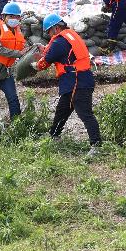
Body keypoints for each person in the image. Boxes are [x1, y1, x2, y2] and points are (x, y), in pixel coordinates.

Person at [35, 13, 103, 154]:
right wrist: (45, 49)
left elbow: (45, 62)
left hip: (77, 81)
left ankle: (96, 145)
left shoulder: (59, 42)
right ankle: (54, 136)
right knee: (62, 110)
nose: (49, 35)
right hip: (77, 79)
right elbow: (59, 52)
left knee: (85, 114)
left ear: (56, 28)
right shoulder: (70, 36)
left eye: (49, 31)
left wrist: (35, 65)